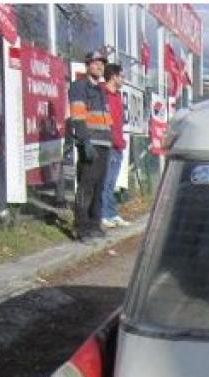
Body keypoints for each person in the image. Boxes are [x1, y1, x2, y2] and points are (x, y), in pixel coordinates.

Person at [68, 50, 112, 241]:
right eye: (95, 63)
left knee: (100, 187)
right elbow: (78, 116)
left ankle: (95, 224)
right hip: (90, 143)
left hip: (104, 144)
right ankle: (81, 228)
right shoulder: (79, 87)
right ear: (87, 65)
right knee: (86, 186)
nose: (100, 66)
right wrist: (84, 141)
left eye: (102, 63)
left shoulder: (101, 90)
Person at [101, 63, 129, 228]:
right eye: (122, 76)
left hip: (118, 145)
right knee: (106, 181)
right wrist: (112, 140)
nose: (123, 79)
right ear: (113, 76)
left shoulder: (117, 95)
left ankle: (112, 213)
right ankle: (103, 214)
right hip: (109, 144)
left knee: (112, 183)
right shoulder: (103, 94)